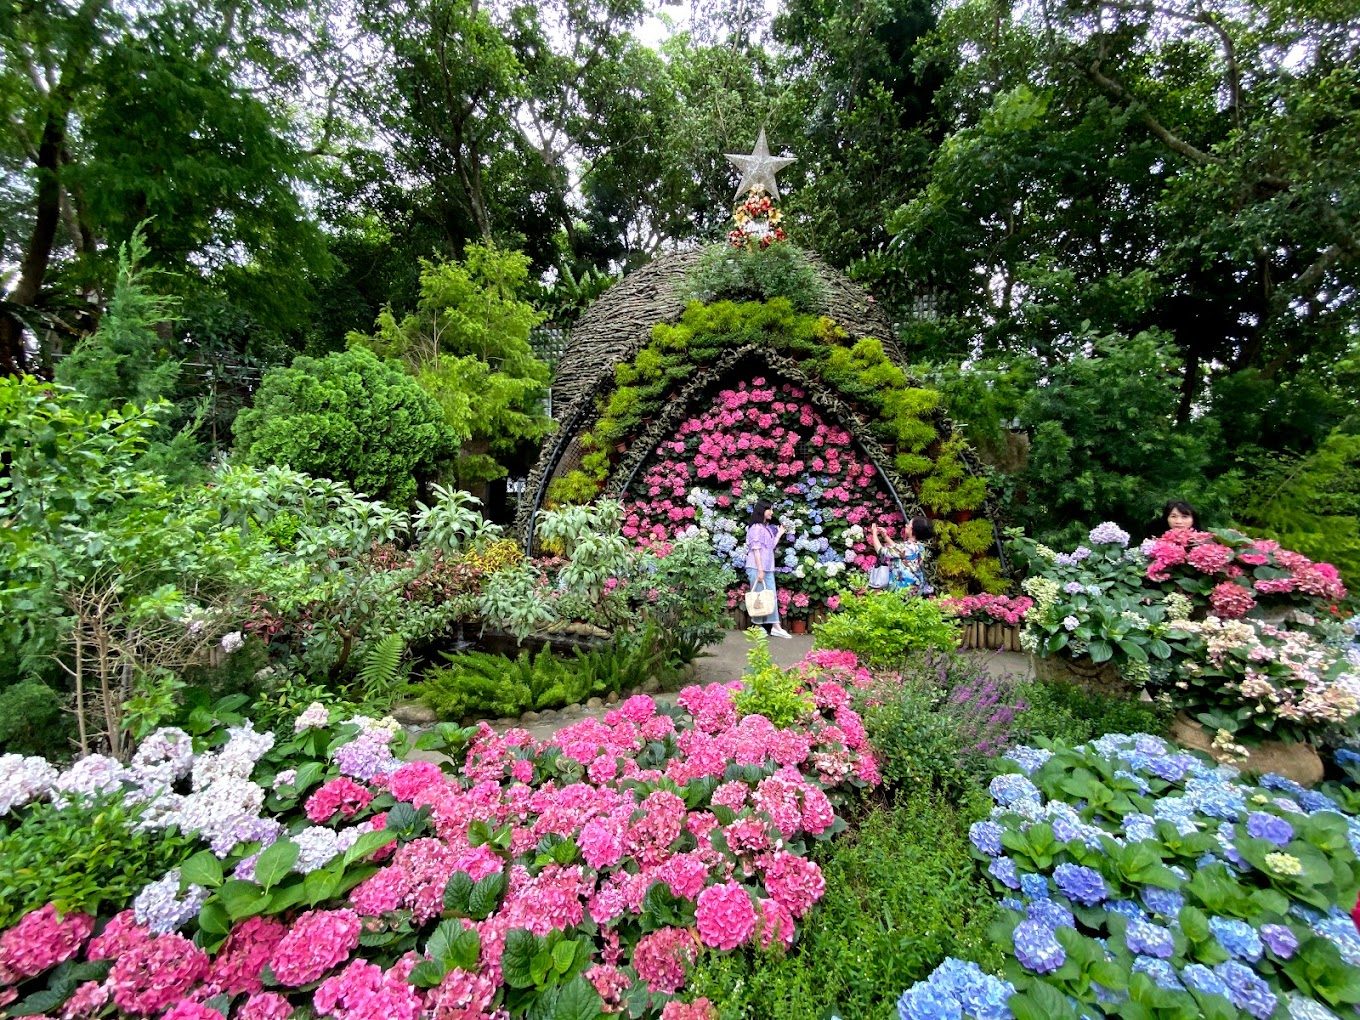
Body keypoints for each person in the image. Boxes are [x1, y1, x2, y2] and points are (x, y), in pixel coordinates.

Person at [745, 501, 792, 639]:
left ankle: (775, 627)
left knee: (770, 597)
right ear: (761, 511)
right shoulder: (755, 528)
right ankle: (760, 627)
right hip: (757, 567)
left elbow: (769, 547)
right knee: (759, 597)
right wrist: (760, 570)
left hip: (767, 568)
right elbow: (756, 550)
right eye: (769, 509)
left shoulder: (765, 528)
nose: (771, 512)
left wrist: (779, 534)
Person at [871, 517, 935, 594]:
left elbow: (881, 551)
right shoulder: (920, 547)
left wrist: (874, 533)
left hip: (902, 589)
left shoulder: (905, 548)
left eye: (909, 524)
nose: (906, 525)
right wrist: (885, 536)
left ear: (912, 530)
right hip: (914, 586)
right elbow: (898, 550)